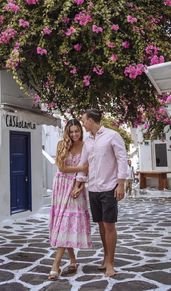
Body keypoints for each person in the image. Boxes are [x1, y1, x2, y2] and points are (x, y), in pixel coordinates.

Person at [73, 109, 127, 277]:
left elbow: (122, 159)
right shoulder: (87, 141)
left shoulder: (112, 135)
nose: (82, 123)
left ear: (91, 120)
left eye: (84, 120)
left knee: (109, 225)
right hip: (94, 188)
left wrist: (121, 184)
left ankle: (111, 263)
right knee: (101, 226)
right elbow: (84, 164)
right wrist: (79, 184)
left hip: (109, 187)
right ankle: (105, 257)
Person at [48, 119, 92, 280]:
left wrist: (79, 186)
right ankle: (72, 260)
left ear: (81, 131)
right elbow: (61, 167)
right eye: (71, 131)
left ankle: (56, 265)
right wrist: (80, 168)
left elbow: (87, 170)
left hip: (75, 186)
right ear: (67, 131)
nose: (74, 134)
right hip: (61, 186)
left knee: (67, 224)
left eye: (77, 131)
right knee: (63, 224)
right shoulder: (62, 144)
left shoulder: (87, 146)